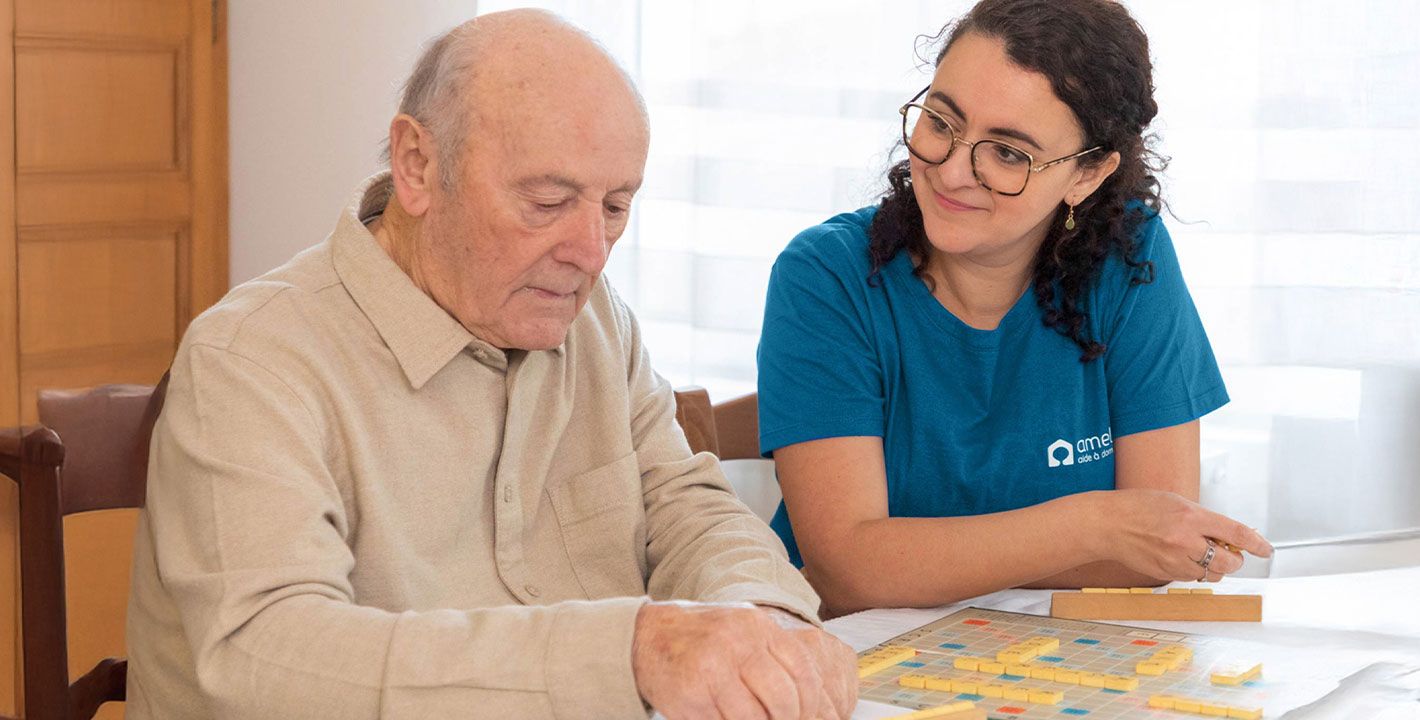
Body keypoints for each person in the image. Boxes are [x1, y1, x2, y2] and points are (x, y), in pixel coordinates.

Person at [126, 10, 856, 719]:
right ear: (417, 165)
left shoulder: (594, 315)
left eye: (615, 206)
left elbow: (688, 509)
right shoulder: (253, 359)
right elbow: (263, 661)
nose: (592, 252)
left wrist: (765, 620)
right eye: (548, 200)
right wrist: (629, 652)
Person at [757, 0, 1273, 617]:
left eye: (1007, 153)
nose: (951, 172)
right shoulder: (825, 275)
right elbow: (848, 573)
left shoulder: (1128, 258)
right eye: (942, 123)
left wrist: (915, 560)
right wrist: (1096, 525)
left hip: (1050, 662)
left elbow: (1155, 553)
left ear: (1088, 174)